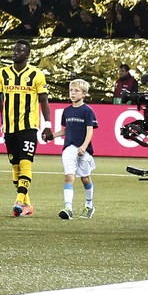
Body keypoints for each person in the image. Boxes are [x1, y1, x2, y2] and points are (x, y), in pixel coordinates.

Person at [0, 40, 49, 217]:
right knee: (15, 166)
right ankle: (27, 205)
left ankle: (18, 200)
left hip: (29, 127)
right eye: (14, 49)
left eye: (20, 50)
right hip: (9, 127)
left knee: (25, 163)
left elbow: (44, 101)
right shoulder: (3, 74)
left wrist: (47, 125)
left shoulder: (36, 74)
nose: (15, 52)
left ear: (28, 54)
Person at [58, 78, 97, 220]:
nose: (73, 93)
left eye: (76, 91)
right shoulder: (67, 111)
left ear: (84, 94)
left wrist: (84, 146)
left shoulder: (87, 111)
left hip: (82, 149)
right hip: (69, 147)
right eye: (71, 90)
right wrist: (53, 136)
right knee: (69, 177)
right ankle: (68, 207)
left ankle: (89, 205)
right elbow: (66, 130)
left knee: (85, 179)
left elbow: (89, 131)